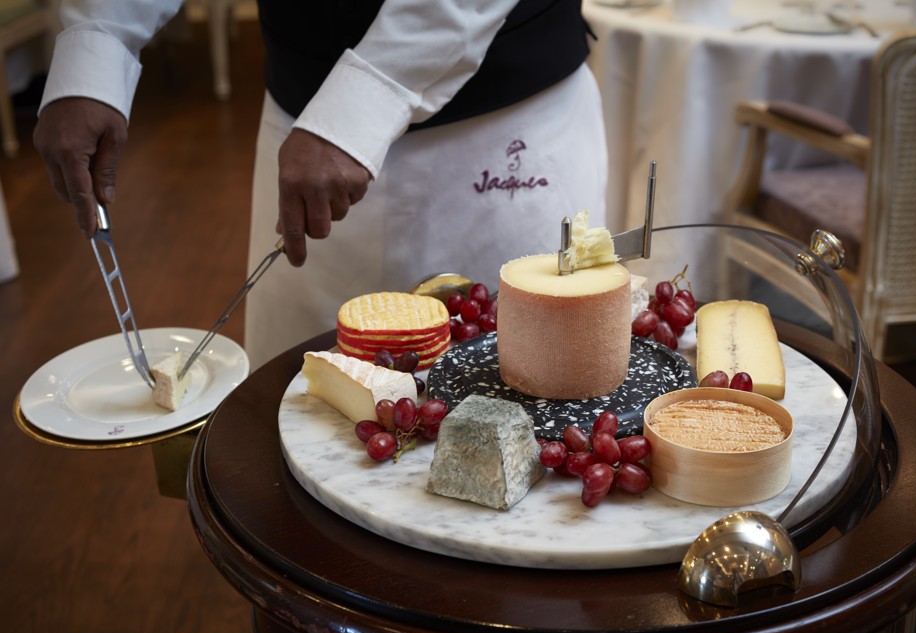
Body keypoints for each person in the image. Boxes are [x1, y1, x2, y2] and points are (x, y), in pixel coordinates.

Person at [34, 0, 608, 368]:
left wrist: (367, 99)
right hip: (301, 133)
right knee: (296, 417)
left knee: (522, 395)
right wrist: (98, 40)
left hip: (501, 130)